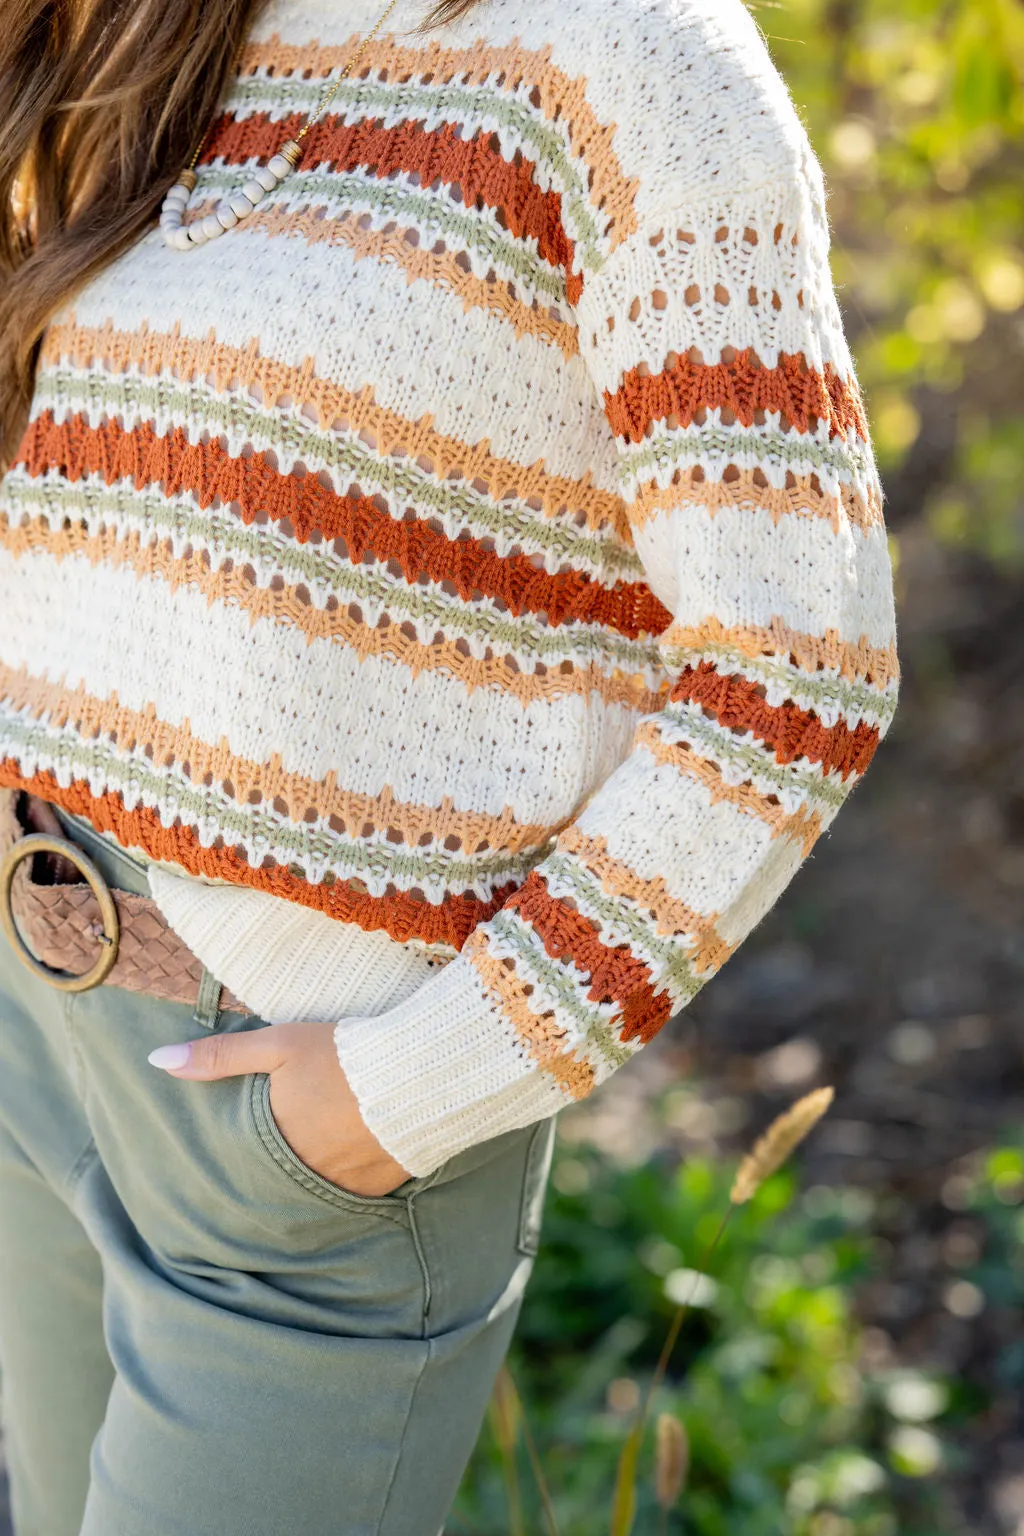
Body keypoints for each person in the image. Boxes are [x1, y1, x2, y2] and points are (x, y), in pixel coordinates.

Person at [0, 0, 899, 1529]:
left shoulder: (640, 65)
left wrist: (413, 1088)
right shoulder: (173, 23)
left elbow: (794, 670)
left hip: (297, 1144)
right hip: (39, 1034)